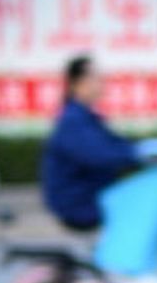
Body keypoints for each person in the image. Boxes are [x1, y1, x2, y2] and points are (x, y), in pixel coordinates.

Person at [41, 54, 139, 232]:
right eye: (96, 78)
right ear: (76, 84)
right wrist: (138, 155)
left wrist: (142, 150)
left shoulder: (87, 117)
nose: (102, 83)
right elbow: (100, 155)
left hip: (92, 196)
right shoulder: (73, 120)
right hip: (80, 203)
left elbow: (116, 144)